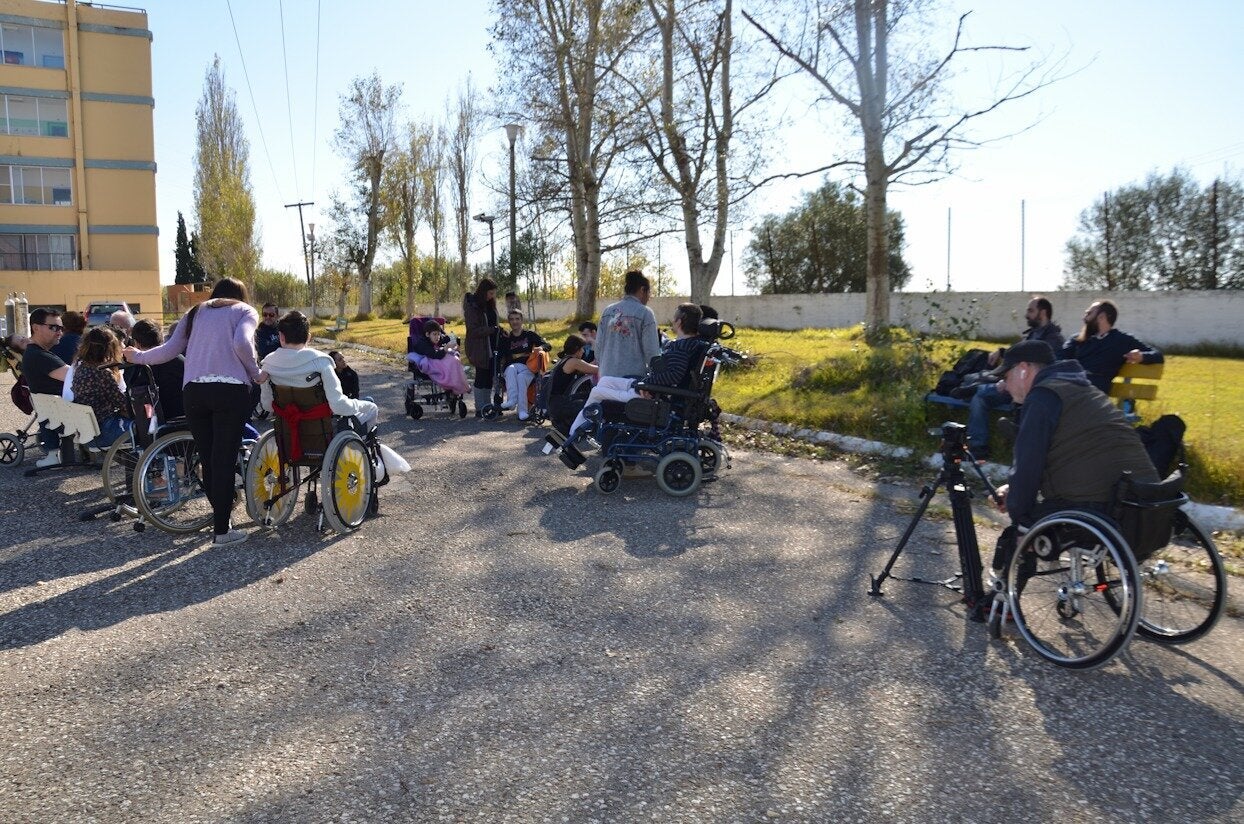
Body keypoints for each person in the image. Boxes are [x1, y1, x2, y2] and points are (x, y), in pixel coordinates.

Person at [978, 340, 1160, 610]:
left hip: (1099, 505)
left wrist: (1019, 512)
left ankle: (1004, 606)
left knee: (1019, 532)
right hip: (1143, 497)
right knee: (1029, 510)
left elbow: (1028, 466)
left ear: (1024, 370)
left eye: (1006, 376)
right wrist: (1013, 489)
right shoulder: (1081, 387)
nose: (1004, 385)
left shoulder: (1042, 396)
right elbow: (1069, 457)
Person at [124, 278, 261, 547]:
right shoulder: (245, 311)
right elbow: (243, 343)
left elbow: (169, 350)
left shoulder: (196, 312)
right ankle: (222, 531)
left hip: (195, 391)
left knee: (209, 459)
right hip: (230, 391)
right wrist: (256, 373)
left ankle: (222, 519)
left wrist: (137, 357)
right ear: (241, 295)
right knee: (224, 458)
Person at [562, 302, 704, 448]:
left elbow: (673, 376)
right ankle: (574, 433)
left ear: (679, 321)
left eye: (674, 318)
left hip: (657, 396)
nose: (672, 321)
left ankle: (573, 436)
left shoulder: (682, 347)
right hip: (655, 389)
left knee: (597, 391)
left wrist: (646, 384)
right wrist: (645, 383)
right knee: (605, 381)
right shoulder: (690, 344)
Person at [966, 296, 1065, 459]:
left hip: (1028, 388)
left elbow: (1040, 369)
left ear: (1043, 312)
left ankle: (973, 388)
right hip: (1013, 384)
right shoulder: (1032, 335)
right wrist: (1002, 352)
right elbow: (1017, 358)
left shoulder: (1053, 340)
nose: (1027, 314)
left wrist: (1010, 382)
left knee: (980, 392)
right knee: (979, 397)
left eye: (1031, 310)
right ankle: (978, 448)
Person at [258, 311, 378, 428]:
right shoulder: (321, 362)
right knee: (371, 407)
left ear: (281, 337)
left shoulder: (268, 364)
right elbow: (338, 405)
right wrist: (362, 406)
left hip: (286, 431)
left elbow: (268, 405)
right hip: (321, 431)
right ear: (308, 338)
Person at [1060, 299, 1163, 394]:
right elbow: (1059, 357)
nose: (1084, 318)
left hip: (1092, 390)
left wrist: (1142, 356)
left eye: (1089, 313)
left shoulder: (1121, 340)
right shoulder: (1077, 340)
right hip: (1073, 383)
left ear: (1102, 317)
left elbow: (1158, 355)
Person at [22, 308, 71, 466]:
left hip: (55, 411)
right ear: (36, 328)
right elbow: (75, 377)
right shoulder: (39, 356)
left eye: (61, 328)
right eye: (54, 327)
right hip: (67, 415)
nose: (59, 332)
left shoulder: (37, 353)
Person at [70, 327, 132, 449]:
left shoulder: (80, 368)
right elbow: (123, 404)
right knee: (148, 426)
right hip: (104, 432)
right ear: (110, 349)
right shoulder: (103, 372)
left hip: (88, 432)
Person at [596, 270, 661, 383]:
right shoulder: (645, 313)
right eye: (649, 293)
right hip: (631, 380)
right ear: (642, 290)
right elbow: (652, 352)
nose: (649, 297)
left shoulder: (608, 311)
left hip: (606, 378)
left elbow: (598, 346)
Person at [127, 319, 185, 420]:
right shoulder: (178, 358)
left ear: (136, 343)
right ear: (161, 338)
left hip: (157, 420)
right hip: (185, 416)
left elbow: (135, 400)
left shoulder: (139, 367)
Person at [498, 310, 550, 421]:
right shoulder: (506, 337)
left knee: (521, 377)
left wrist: (541, 348)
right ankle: (512, 400)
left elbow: (547, 345)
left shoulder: (529, 335)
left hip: (528, 368)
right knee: (512, 369)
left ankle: (522, 411)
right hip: (511, 368)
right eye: (511, 319)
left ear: (521, 320)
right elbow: (499, 354)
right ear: (509, 321)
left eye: (517, 319)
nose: (514, 322)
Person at [547, 334, 599, 435]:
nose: (583, 351)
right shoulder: (573, 362)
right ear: (577, 349)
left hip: (554, 404)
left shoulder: (566, 359)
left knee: (587, 395)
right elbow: (595, 370)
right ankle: (570, 424)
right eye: (582, 349)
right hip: (559, 405)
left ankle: (567, 423)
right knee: (594, 403)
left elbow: (587, 365)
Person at [463, 278, 500, 417]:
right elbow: (473, 330)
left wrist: (499, 330)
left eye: (493, 293)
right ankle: (480, 407)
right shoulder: (473, 307)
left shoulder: (490, 305)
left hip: (491, 345)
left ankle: (487, 405)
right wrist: (491, 330)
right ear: (484, 292)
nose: (492, 296)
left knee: (489, 376)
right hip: (479, 347)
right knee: (481, 376)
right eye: (490, 293)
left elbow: (493, 323)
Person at [407, 321, 470, 396]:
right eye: (434, 334)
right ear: (427, 334)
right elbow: (434, 355)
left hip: (436, 357)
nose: (437, 337)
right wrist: (445, 348)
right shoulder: (422, 343)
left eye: (438, 334)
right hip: (428, 360)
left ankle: (460, 380)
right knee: (451, 361)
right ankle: (455, 383)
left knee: (454, 358)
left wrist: (451, 339)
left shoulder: (436, 338)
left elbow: (444, 339)